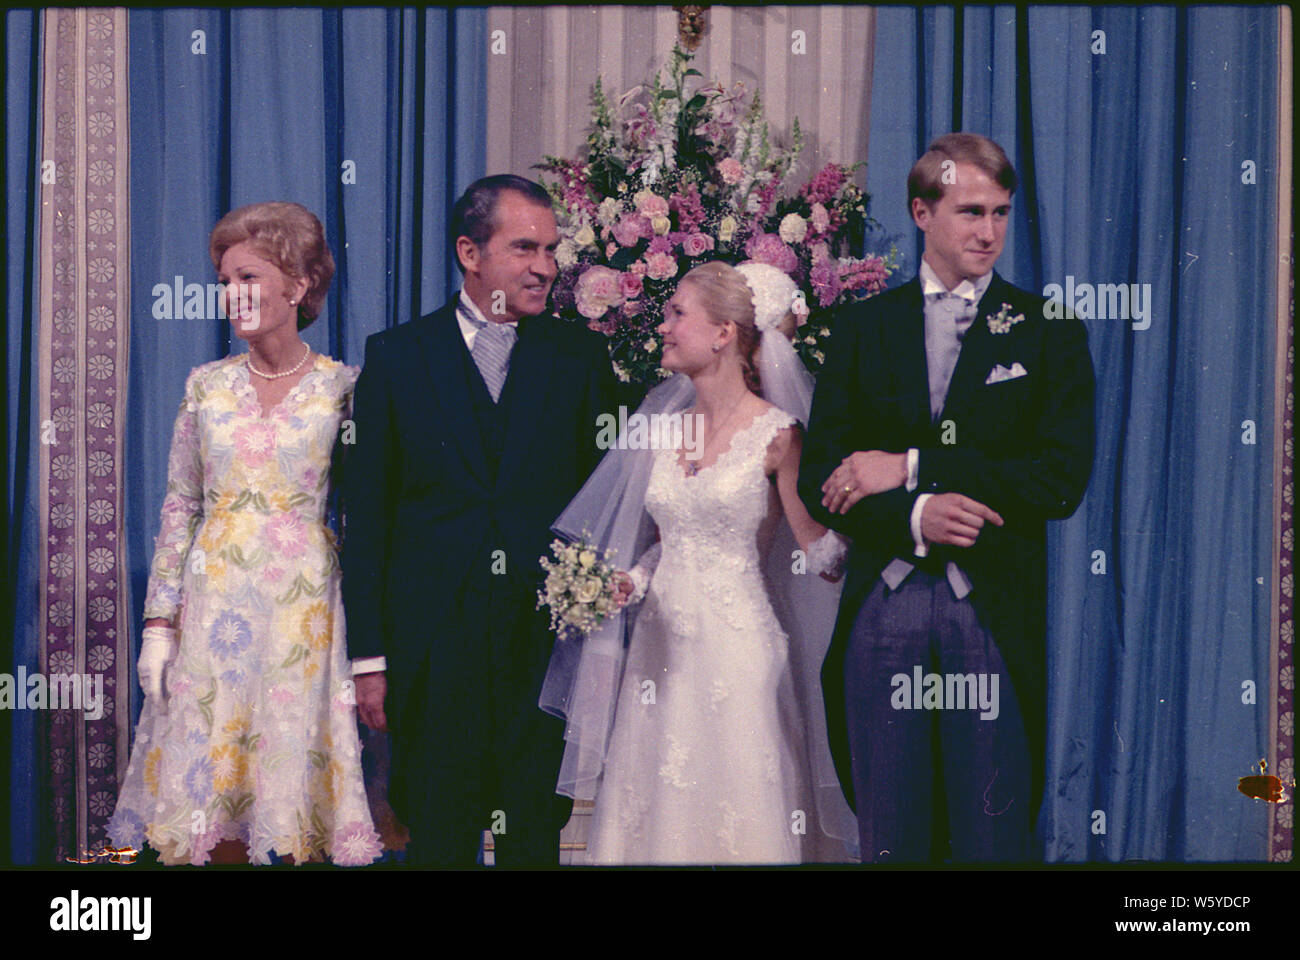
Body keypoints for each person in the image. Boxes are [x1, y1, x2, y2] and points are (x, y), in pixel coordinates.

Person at [799, 133, 1096, 862]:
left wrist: (911, 465)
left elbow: (1058, 480)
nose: (989, 232)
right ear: (921, 213)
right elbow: (821, 478)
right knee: (891, 832)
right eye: (970, 212)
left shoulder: (1048, 330)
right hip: (884, 604)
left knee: (988, 832)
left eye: (1000, 213)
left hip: (990, 602)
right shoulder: (863, 328)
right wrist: (914, 518)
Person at [340, 175, 622, 866]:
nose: (546, 267)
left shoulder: (579, 359)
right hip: (431, 653)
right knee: (438, 838)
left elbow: (607, 503)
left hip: (543, 654)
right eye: (525, 247)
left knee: (534, 839)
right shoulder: (395, 358)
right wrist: (369, 659)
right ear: (470, 251)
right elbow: (367, 516)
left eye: (552, 250)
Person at [546, 261, 866, 864]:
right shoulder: (666, 430)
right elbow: (672, 538)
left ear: (723, 333)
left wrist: (859, 513)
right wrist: (630, 579)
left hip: (737, 652)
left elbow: (820, 553)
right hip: (659, 655)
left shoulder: (778, 436)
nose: (663, 327)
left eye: (677, 314)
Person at [108, 202, 381, 866]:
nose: (233, 296)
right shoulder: (206, 387)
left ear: (298, 283)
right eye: (226, 281)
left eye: (249, 278)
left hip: (303, 612)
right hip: (213, 612)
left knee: (289, 808)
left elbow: (365, 519)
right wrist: (158, 625)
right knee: (209, 813)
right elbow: (180, 508)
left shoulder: (344, 390)